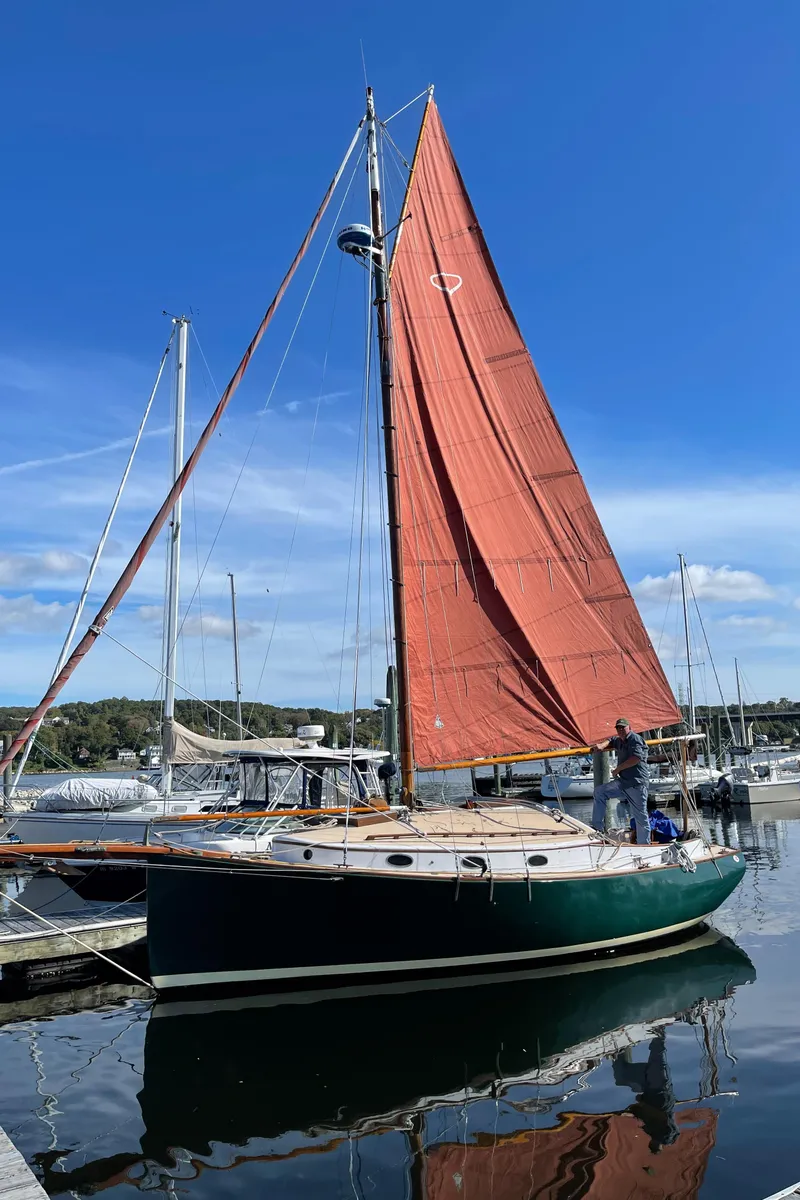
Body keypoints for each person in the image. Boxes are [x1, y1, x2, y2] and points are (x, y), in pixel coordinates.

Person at [591, 718, 651, 844]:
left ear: (629, 727)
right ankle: (597, 828)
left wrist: (618, 769)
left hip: (636, 784)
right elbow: (611, 739)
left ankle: (644, 846)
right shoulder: (619, 740)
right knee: (599, 792)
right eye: (618, 728)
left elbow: (636, 758)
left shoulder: (635, 739)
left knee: (641, 818)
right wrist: (601, 745)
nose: (620, 730)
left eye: (623, 727)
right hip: (623, 783)